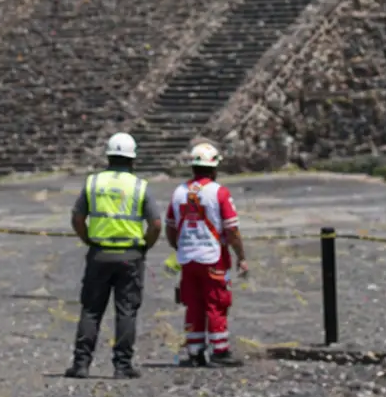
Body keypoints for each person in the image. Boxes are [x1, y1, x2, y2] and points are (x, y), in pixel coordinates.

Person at [65, 133, 161, 380]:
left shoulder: (93, 183)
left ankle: (81, 364)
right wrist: (144, 247)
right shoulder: (140, 187)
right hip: (130, 255)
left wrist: (88, 239)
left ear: (108, 156)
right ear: (133, 159)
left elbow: (77, 218)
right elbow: (156, 224)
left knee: (91, 310)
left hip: (99, 253)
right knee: (126, 310)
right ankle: (122, 365)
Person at [166, 140, 248, 368]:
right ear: (214, 168)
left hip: (187, 258)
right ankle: (220, 351)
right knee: (216, 303)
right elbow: (231, 229)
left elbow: (170, 227)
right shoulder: (219, 192)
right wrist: (241, 256)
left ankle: (195, 351)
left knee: (193, 304)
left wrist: (179, 248)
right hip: (213, 257)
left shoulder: (179, 192)